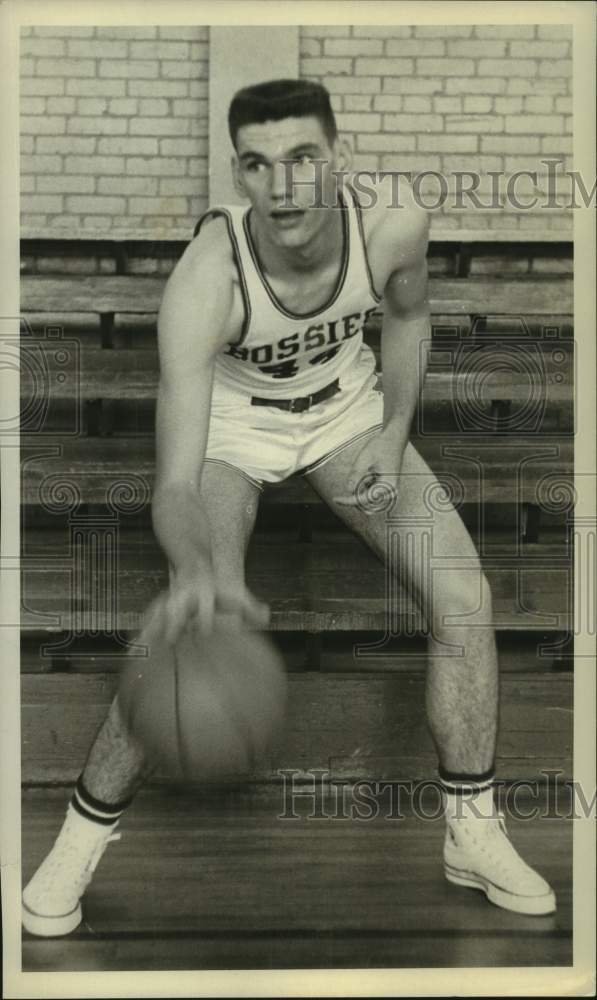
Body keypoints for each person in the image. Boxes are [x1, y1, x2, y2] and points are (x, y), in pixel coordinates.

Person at [22, 78, 556, 937]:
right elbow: (176, 479)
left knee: (466, 598)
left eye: (304, 158)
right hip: (232, 432)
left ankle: (471, 832)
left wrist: (390, 431)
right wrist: (196, 570)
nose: (284, 186)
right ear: (239, 177)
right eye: (258, 164)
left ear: (338, 158)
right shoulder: (208, 280)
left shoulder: (393, 221)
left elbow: (411, 319)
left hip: (346, 415)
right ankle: (82, 837)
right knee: (194, 624)